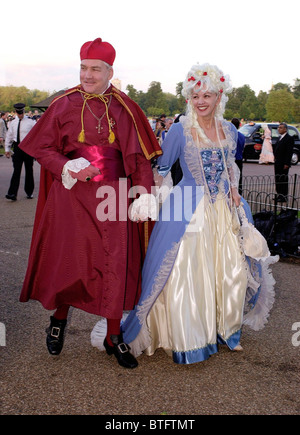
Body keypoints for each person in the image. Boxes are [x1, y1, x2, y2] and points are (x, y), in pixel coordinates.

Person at [92, 63, 278, 364]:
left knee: (230, 269)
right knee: (189, 272)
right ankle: (191, 335)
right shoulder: (179, 130)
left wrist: (233, 189)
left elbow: (231, 165)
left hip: (224, 210)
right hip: (188, 208)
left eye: (207, 95)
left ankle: (227, 330)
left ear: (219, 97)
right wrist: (150, 199)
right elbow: (162, 171)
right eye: (195, 96)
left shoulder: (229, 129)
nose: (201, 101)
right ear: (188, 98)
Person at [18, 37, 162, 369]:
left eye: (95, 69)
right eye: (83, 68)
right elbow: (41, 148)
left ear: (110, 71)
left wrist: (144, 195)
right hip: (72, 195)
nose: (87, 74)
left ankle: (114, 335)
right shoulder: (62, 104)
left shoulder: (126, 107)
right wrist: (65, 166)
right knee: (71, 262)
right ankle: (59, 319)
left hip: (113, 196)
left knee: (114, 264)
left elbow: (140, 159)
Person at [4, 104, 36, 200]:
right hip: (17, 148)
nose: (20, 115)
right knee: (16, 171)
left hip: (27, 147)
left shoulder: (31, 122)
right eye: (18, 113)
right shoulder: (13, 123)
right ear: (15, 112)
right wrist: (7, 149)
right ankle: (12, 193)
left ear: (23, 111)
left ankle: (29, 192)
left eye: (21, 113)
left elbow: (36, 135)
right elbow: (9, 136)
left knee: (29, 170)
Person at [273, 123, 294, 202]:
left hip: (283, 163)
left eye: (281, 128)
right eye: (278, 128)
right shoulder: (279, 138)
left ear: (285, 129)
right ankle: (279, 194)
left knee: (283, 179)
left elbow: (289, 152)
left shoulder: (289, 138)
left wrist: (287, 163)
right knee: (277, 178)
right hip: (277, 162)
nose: (279, 129)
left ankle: (284, 196)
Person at [231, 117, 245, 194]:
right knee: (239, 177)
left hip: (232, 159)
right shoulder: (242, 136)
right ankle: (239, 192)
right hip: (239, 158)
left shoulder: (229, 136)